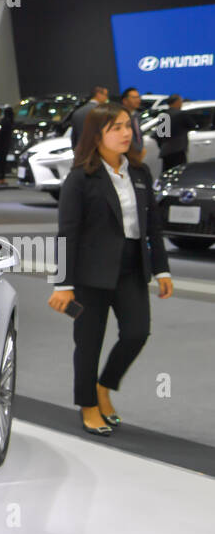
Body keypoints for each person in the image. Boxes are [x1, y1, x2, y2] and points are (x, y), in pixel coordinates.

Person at [49, 102, 173, 436]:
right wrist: (63, 284)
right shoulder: (80, 178)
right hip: (89, 275)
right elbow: (67, 234)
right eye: (115, 127)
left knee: (137, 333)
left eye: (127, 126)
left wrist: (162, 270)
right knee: (88, 342)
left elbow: (153, 227)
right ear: (96, 135)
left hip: (132, 267)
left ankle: (104, 386)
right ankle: (88, 404)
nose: (125, 133)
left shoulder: (140, 172)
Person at [157, 95, 194, 172]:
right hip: (178, 150)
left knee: (167, 174)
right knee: (179, 173)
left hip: (166, 151)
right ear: (177, 102)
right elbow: (193, 126)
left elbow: (160, 135)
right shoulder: (181, 114)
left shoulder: (164, 115)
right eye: (180, 102)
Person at [0, 106, 15, 184]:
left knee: (2, 161)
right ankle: (0, 178)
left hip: (2, 143)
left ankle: (1, 178)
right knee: (2, 161)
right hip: (3, 143)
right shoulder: (7, 121)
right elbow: (2, 134)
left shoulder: (4, 120)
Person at [120, 86, 144, 155]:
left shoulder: (137, 114)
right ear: (125, 100)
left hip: (138, 152)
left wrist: (141, 148)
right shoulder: (119, 116)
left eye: (138, 97)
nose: (138, 100)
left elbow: (138, 133)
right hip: (126, 153)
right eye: (134, 98)